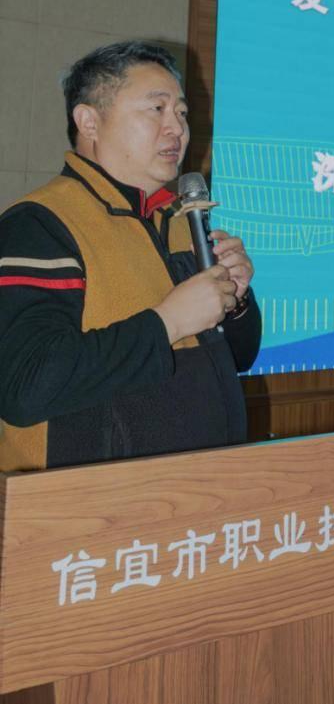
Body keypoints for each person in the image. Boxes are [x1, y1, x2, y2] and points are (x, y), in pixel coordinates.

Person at [0, 41, 261, 471]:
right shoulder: (40, 224)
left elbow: (239, 357)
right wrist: (168, 322)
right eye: (156, 109)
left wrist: (237, 299)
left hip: (205, 486)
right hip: (93, 502)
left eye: (181, 112)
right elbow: (25, 386)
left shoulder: (181, 221)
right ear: (89, 121)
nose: (177, 128)